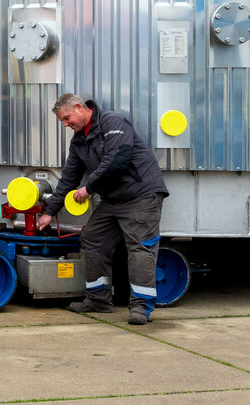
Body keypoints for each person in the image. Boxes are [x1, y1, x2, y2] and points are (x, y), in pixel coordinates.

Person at [42, 93, 169, 324]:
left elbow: (117, 160)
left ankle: (141, 307)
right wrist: (50, 211)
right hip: (114, 199)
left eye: (67, 118)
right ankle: (98, 300)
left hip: (140, 195)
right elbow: (69, 178)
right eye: (63, 121)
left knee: (140, 248)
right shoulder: (79, 141)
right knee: (92, 237)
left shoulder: (112, 123)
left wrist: (89, 189)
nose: (66, 124)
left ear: (80, 107)